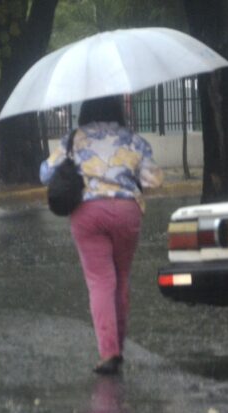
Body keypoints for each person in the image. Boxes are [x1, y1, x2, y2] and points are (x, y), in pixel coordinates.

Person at [40, 95, 164, 375]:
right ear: (118, 110)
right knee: (121, 279)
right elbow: (154, 179)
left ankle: (109, 352)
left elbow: (46, 173)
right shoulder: (132, 139)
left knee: (100, 282)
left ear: (84, 110)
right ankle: (119, 345)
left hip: (88, 212)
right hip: (126, 210)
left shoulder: (74, 139)